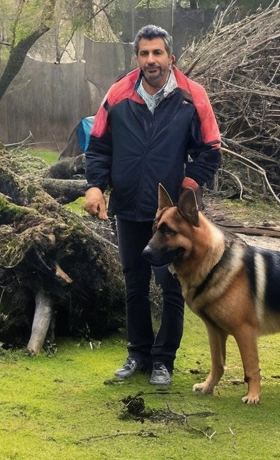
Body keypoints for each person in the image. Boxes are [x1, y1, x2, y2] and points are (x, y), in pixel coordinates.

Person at [83, 24, 221, 386]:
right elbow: (98, 146)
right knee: (134, 282)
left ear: (170, 57)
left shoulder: (192, 97)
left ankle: (164, 361)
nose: (151, 60)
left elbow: (210, 148)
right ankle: (138, 354)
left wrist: (187, 190)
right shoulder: (118, 94)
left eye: (157, 53)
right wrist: (96, 187)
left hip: (171, 215)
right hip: (128, 205)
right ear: (137, 58)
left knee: (171, 285)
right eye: (144, 53)